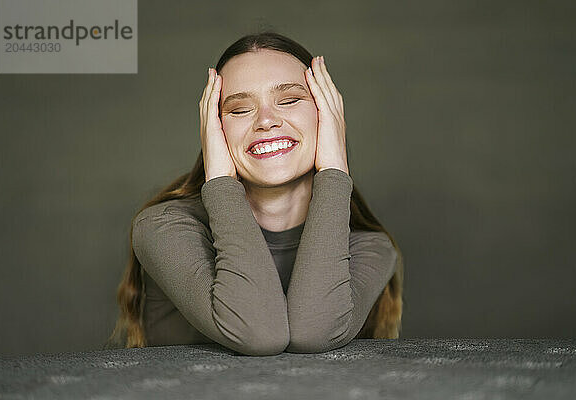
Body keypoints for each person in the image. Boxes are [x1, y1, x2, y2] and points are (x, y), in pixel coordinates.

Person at [105, 31, 404, 356]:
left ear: (328, 115)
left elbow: (315, 333)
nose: (265, 121)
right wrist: (219, 178)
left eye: (289, 100)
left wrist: (334, 169)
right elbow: (259, 334)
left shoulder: (370, 248)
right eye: (238, 110)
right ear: (213, 129)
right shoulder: (163, 228)